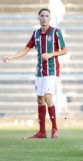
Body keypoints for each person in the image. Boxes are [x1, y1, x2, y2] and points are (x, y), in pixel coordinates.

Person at [3, 8, 67, 139]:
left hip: (52, 71)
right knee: (40, 99)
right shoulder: (36, 34)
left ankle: (55, 129)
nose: (44, 18)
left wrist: (51, 54)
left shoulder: (55, 32)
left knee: (48, 97)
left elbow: (64, 50)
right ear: (38, 18)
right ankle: (42, 132)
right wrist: (11, 56)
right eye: (42, 16)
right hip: (39, 72)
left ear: (50, 18)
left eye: (46, 16)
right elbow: (27, 49)